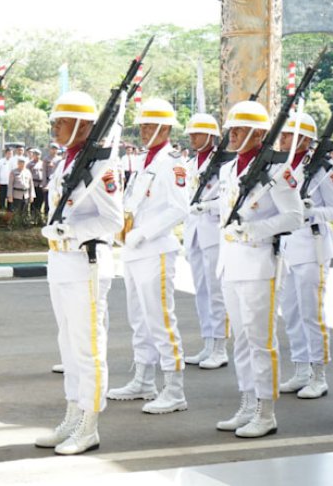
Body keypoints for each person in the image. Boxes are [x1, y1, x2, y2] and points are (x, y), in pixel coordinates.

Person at [35, 91, 122, 455]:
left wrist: (71, 232)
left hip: (87, 264)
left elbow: (114, 220)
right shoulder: (68, 162)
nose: (55, 127)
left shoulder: (101, 167)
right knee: (68, 346)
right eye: (54, 121)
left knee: (88, 348)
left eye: (61, 121)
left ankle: (89, 424)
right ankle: (72, 415)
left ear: (84, 126)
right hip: (62, 264)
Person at [215, 100, 302, 438]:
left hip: (259, 263)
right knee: (240, 340)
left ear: (259, 133)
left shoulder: (278, 171)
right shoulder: (228, 168)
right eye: (231, 129)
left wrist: (254, 230)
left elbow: (295, 216)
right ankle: (248, 404)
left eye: (239, 129)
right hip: (231, 264)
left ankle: (266, 411)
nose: (232, 135)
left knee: (260, 341)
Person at [107, 98, 189, 414]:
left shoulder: (172, 162)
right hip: (134, 252)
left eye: (151, 126)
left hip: (155, 250)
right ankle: (143, 380)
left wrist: (142, 232)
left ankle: (175, 389)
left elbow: (179, 208)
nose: (144, 131)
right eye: (142, 125)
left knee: (161, 321)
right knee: (139, 320)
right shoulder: (144, 160)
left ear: (166, 129)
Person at [278, 112, 333, 399]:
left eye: (287, 135)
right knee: (291, 312)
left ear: (303, 139)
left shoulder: (322, 169)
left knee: (311, 313)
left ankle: (319, 374)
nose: (281, 139)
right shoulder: (281, 167)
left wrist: (310, 210)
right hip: (289, 247)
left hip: (312, 247)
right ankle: (301, 369)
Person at [183, 114, 229, 369]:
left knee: (216, 291)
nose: (193, 138)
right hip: (194, 234)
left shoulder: (223, 164)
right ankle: (208, 344)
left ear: (211, 136)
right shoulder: (191, 163)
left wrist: (208, 207)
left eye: (197, 134)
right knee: (201, 291)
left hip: (212, 232)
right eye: (191, 134)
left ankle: (220, 348)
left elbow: (229, 199)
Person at [28, 148, 46, 219]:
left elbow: (44, 174)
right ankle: (32, 216)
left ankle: (38, 216)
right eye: (35, 154)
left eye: (38, 155)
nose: (37, 156)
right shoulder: (29, 164)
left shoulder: (42, 163)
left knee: (40, 200)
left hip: (41, 184)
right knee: (33, 201)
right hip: (33, 184)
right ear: (33, 155)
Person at [0, 147, 13, 211]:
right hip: (2, 183)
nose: (10, 155)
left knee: (10, 200)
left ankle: (9, 213)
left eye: (11, 153)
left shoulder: (13, 162)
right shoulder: (1, 161)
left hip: (11, 184)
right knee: (2, 199)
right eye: (8, 153)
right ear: (5, 153)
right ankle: (1, 212)